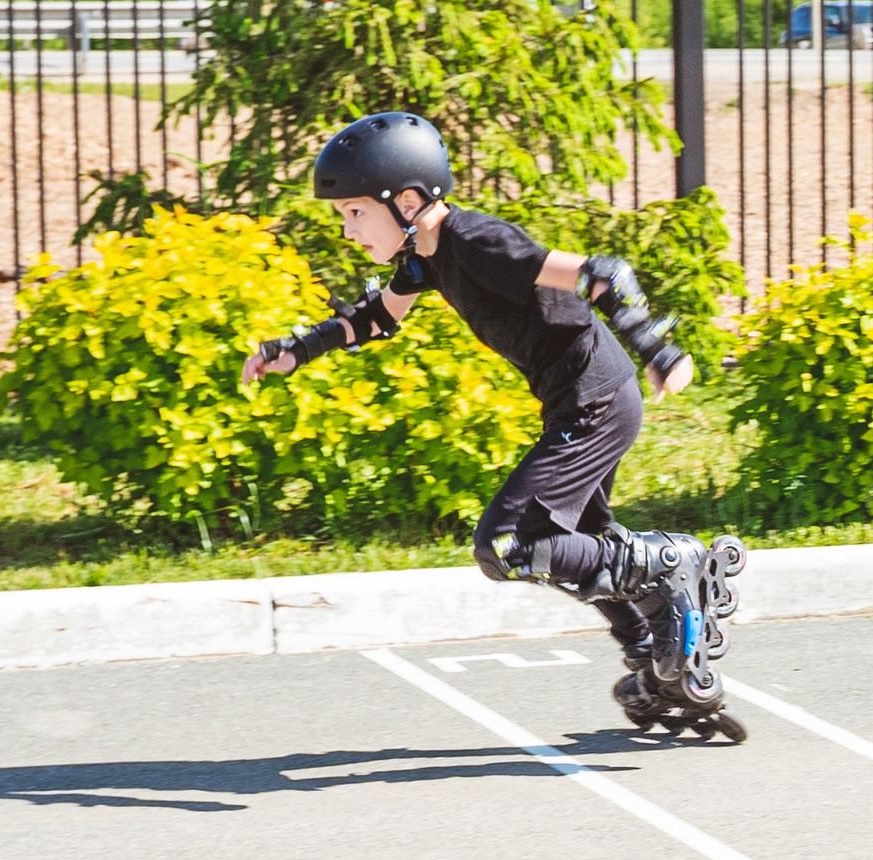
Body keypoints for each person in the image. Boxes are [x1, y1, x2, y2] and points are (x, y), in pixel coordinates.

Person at [241, 112, 748, 741]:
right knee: (573, 545)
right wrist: (295, 350)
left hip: (596, 400)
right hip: (575, 401)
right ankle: (652, 650)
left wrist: (656, 349)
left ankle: (671, 565)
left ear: (406, 201)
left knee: (508, 544)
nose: (347, 231)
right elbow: (375, 319)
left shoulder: (477, 241)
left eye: (352, 213)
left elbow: (603, 275)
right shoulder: (425, 257)